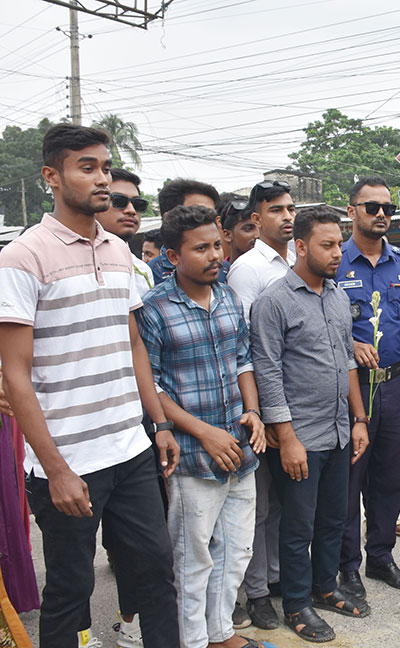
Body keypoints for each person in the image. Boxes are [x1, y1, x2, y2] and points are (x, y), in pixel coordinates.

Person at [0, 123, 180, 648]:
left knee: (155, 574)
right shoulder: (22, 257)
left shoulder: (120, 251)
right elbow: (14, 372)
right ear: (51, 177)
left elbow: (134, 346)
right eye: (88, 167)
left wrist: (159, 424)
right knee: (71, 590)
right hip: (68, 461)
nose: (102, 179)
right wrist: (55, 470)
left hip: (130, 449)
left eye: (105, 167)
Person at [136, 204, 272, 648]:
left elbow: (243, 360)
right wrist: (202, 431)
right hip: (194, 457)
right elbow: (150, 385)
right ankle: (192, 641)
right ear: (173, 257)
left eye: (217, 244)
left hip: (241, 448)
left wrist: (252, 411)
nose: (215, 255)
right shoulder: (154, 308)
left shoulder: (229, 296)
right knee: (193, 558)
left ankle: (220, 634)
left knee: (235, 553)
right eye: (202, 248)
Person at [250, 207, 371, 642]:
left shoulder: (337, 296)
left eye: (339, 243)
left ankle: (325, 588)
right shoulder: (274, 302)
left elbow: (348, 364)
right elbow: (267, 374)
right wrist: (287, 439)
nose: (338, 252)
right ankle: (297, 605)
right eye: (327, 245)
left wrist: (359, 419)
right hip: (300, 437)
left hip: (339, 430)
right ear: (300, 247)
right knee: (297, 525)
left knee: (333, 519)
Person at [335, 176, 400, 596]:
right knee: (348, 479)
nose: (380, 215)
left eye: (387, 209)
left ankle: (381, 557)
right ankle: (347, 566)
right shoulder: (333, 261)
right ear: (351, 210)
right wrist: (351, 342)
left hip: (394, 384)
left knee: (390, 477)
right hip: (348, 388)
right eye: (371, 207)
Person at [227, 179, 296, 629]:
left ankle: (276, 579)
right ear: (256, 218)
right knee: (260, 504)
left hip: (301, 403)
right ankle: (256, 593)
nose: (287, 216)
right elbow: (249, 348)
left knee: (287, 504)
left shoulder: (302, 258)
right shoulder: (248, 269)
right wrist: (266, 413)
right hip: (266, 404)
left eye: (291, 208)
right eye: (276, 210)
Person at [94, 166, 157, 647]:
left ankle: (133, 622)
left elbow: (140, 348)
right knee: (76, 558)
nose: (130, 209)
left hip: (138, 420)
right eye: (119, 200)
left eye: (135, 201)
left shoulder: (136, 265)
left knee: (142, 545)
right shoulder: (35, 252)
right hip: (80, 430)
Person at [146, 178, 221, 284]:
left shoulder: (224, 270)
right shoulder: (149, 274)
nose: (206, 221)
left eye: (211, 215)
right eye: (196, 213)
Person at [96, 168, 153, 297]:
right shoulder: (73, 263)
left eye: (138, 204)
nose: (131, 210)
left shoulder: (142, 271)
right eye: (119, 201)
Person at [218, 192, 258, 265]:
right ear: (227, 235)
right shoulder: (218, 274)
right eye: (248, 229)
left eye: (260, 228)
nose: (257, 235)